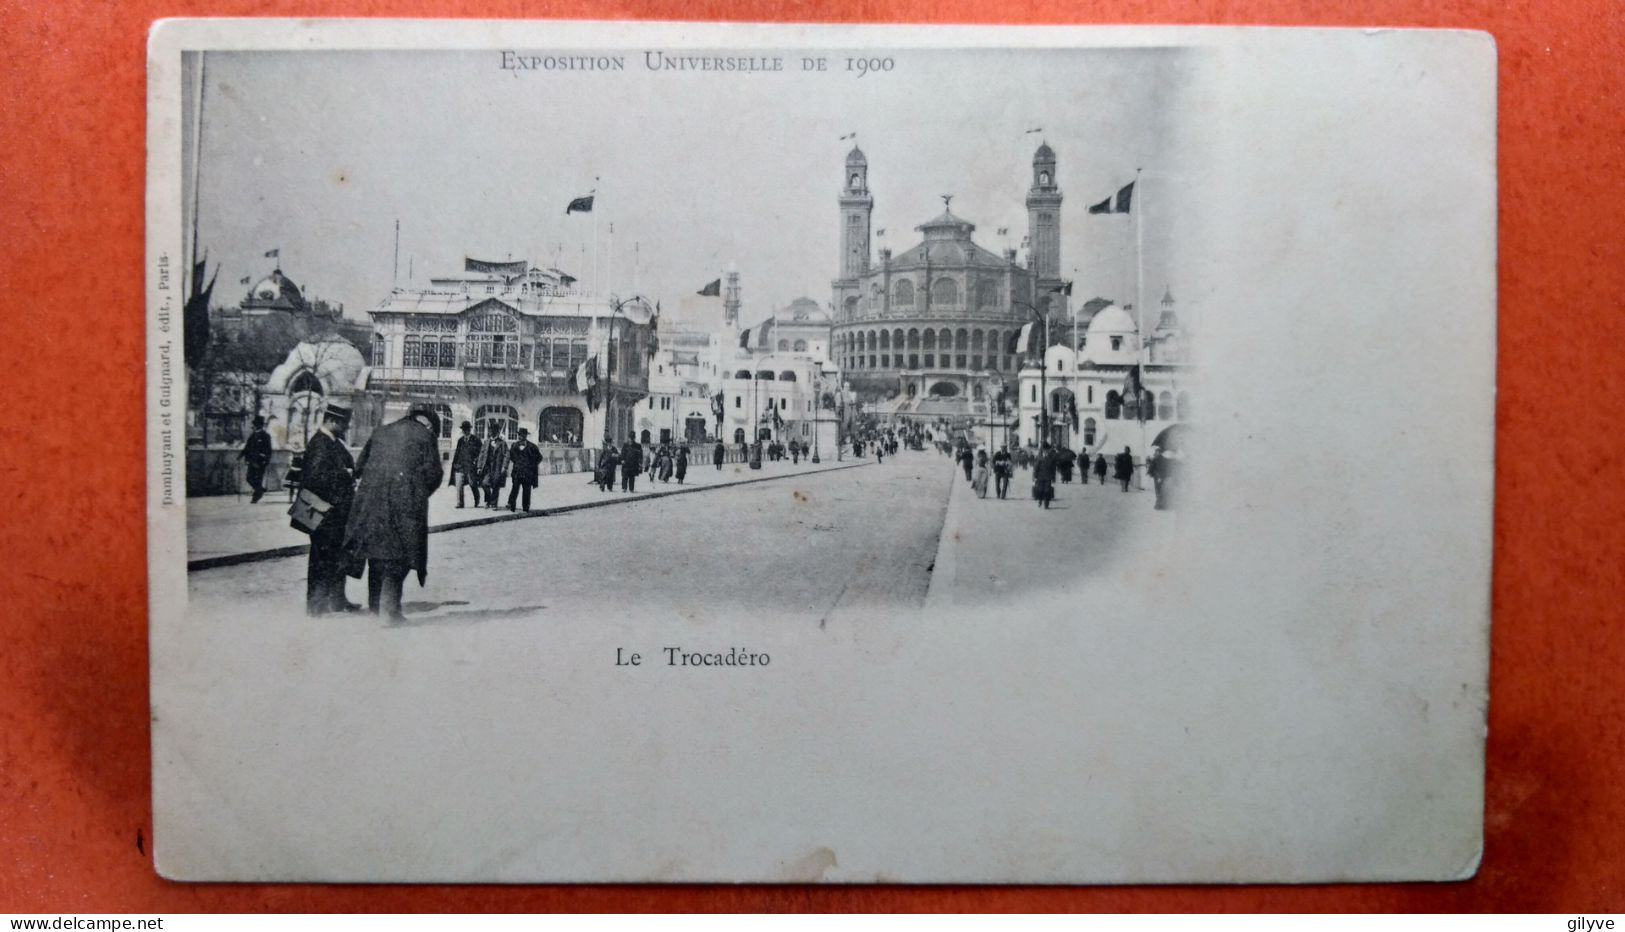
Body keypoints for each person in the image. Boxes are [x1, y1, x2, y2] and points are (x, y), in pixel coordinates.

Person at [343, 403, 443, 622]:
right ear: (427, 422)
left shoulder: (381, 431)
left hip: (370, 506)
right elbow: (435, 475)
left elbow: (359, 466)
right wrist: (415, 492)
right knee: (398, 557)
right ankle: (389, 613)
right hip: (403, 507)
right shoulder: (426, 437)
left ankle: (375, 608)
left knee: (376, 555)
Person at [300, 404, 356, 615]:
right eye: (344, 424)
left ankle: (337, 601)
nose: (346, 427)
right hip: (324, 512)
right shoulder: (321, 443)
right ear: (333, 421)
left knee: (336, 557)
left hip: (332, 512)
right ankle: (316, 606)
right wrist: (344, 476)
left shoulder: (332, 442)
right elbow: (316, 479)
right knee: (321, 559)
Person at [239, 415, 274, 503]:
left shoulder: (266, 436)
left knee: (258, 478)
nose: (255, 426)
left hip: (260, 461)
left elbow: (269, 449)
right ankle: (260, 490)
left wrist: (267, 459)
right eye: (255, 424)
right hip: (252, 460)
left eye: (257, 424)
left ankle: (255, 497)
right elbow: (247, 447)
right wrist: (241, 455)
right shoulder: (253, 435)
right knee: (249, 478)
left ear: (261, 425)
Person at [507, 427, 541, 512]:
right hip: (517, 472)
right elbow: (511, 456)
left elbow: (539, 457)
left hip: (527, 473)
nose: (520, 436)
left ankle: (525, 508)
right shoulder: (514, 445)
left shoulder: (532, 447)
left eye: (522, 435)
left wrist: (530, 464)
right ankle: (512, 507)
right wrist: (517, 462)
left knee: (526, 490)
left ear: (526, 435)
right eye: (519, 435)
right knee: (515, 489)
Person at [477, 425, 509, 510]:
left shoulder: (502, 443)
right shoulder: (486, 442)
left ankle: (494, 503)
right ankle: (488, 500)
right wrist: (479, 467)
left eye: (494, 431)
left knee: (495, 485)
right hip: (487, 467)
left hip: (497, 467)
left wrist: (504, 467)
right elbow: (481, 454)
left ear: (498, 432)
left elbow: (506, 455)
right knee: (484, 483)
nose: (492, 433)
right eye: (491, 431)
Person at [450, 420, 482, 508]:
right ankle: (460, 503)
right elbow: (457, 453)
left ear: (469, 430)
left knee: (473, 484)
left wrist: (476, 461)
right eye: (463, 429)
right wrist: (455, 464)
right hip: (460, 466)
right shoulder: (460, 440)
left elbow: (480, 453)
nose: (464, 431)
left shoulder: (476, 440)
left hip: (471, 466)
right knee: (459, 485)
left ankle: (477, 499)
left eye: (466, 429)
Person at [1033, 441, 1057, 509]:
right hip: (1040, 477)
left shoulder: (1051, 458)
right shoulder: (1039, 457)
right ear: (1042, 450)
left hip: (1048, 477)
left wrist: (1053, 477)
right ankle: (1040, 500)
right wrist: (1034, 476)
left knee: (1047, 490)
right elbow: (1036, 467)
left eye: (1047, 449)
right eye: (1044, 449)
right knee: (1040, 490)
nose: (1046, 451)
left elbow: (1053, 468)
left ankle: (1046, 504)